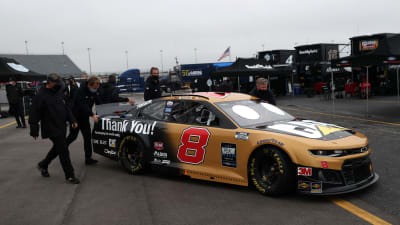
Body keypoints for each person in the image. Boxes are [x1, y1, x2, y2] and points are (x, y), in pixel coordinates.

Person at [29, 73, 80, 184]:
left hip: (61, 126)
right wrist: (34, 129)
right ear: (50, 82)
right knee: (64, 151)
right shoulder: (40, 95)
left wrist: (72, 120)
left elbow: (65, 107)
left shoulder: (58, 92)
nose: (58, 85)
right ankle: (70, 175)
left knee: (58, 148)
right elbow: (34, 113)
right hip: (50, 127)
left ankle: (43, 164)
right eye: (56, 83)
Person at [66, 76, 101, 165]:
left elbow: (98, 102)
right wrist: (92, 115)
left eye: (97, 88)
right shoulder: (80, 91)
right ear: (89, 85)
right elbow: (82, 106)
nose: (95, 90)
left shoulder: (93, 91)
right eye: (94, 88)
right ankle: (61, 149)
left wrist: (105, 109)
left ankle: (88, 158)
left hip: (84, 118)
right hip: (75, 118)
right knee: (72, 137)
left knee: (87, 137)